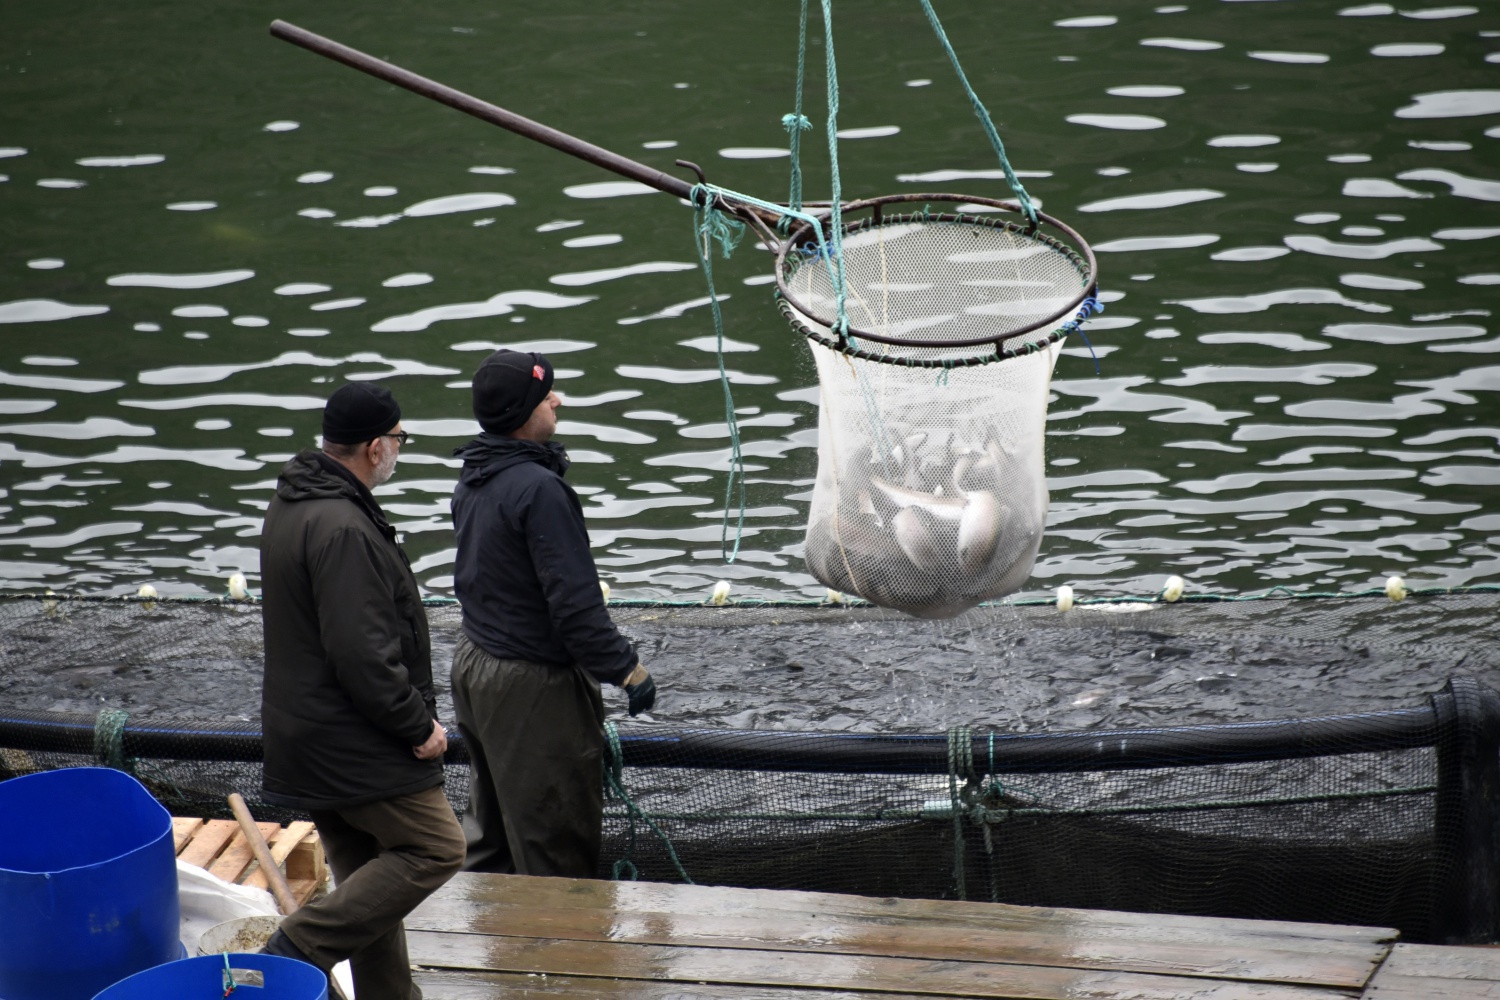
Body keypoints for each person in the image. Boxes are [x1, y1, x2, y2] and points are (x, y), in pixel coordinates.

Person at [258, 382, 465, 1000]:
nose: (399, 450)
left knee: (369, 880)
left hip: (305, 735)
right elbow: (362, 655)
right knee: (435, 847)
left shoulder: (293, 503)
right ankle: (298, 947)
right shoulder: (343, 525)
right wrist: (418, 727)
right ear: (377, 447)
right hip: (353, 740)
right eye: (399, 440)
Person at [450, 349, 657, 877]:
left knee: (492, 831)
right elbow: (576, 609)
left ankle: (490, 947)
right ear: (525, 414)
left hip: (475, 664)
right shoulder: (540, 489)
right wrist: (627, 670)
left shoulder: (475, 474)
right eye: (547, 397)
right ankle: (558, 955)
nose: (557, 401)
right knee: (553, 845)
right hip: (530, 687)